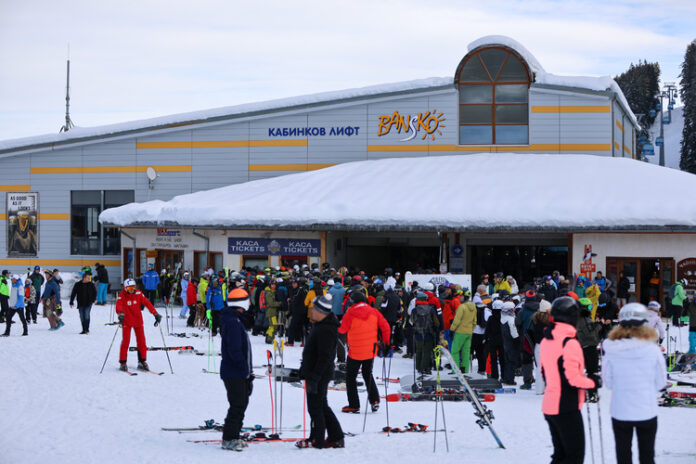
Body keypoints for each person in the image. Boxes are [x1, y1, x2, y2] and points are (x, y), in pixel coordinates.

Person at [602, 303, 666, 464]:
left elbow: (608, 382)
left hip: (620, 411)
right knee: (647, 455)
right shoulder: (653, 350)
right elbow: (661, 382)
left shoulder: (611, 350)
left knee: (623, 455)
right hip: (646, 410)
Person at [539, 297, 600, 464]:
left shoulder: (547, 339)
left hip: (550, 405)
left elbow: (544, 372)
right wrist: (593, 382)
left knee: (561, 455)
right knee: (574, 456)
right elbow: (572, 378)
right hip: (566, 405)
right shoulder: (569, 343)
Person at [297, 294, 345, 449]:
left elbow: (325, 356)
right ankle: (335, 436)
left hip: (319, 374)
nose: (311, 311)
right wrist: (304, 370)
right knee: (321, 406)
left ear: (321, 311)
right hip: (314, 372)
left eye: (314, 309)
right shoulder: (320, 324)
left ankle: (318, 440)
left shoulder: (326, 329)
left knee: (316, 407)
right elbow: (312, 352)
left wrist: (315, 376)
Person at [339, 290, 390, 413]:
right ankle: (375, 400)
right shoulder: (374, 311)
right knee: (368, 374)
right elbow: (386, 327)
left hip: (355, 351)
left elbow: (342, 330)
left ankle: (354, 405)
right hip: (370, 350)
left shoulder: (350, 313)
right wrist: (386, 343)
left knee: (351, 377)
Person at [219, 289, 254, 452]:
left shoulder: (236, 320)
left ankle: (234, 435)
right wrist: (243, 368)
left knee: (241, 403)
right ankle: (229, 438)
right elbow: (235, 350)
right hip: (234, 372)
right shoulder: (233, 322)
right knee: (237, 404)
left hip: (238, 371)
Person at [116, 278, 161, 371]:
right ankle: (123, 362)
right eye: (129, 288)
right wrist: (120, 313)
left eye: (133, 287)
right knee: (126, 341)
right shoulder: (122, 295)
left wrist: (155, 313)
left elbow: (147, 303)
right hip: (127, 321)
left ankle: (142, 361)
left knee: (141, 342)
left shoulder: (138, 294)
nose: (131, 289)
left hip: (138, 321)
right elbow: (119, 305)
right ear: (125, 288)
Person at [576, 298, 602, 401]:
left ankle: (586, 393)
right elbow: (590, 335)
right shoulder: (584, 319)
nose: (591, 309)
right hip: (589, 347)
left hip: (584, 347)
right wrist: (599, 326)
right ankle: (591, 394)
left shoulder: (580, 318)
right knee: (592, 372)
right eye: (590, 307)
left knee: (586, 371)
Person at [527, 299, 551, 395]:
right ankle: (547, 387)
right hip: (548, 345)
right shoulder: (549, 320)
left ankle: (539, 389)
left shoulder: (535, 319)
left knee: (539, 368)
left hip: (538, 345)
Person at [449, 289, 476, 373]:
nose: (459, 297)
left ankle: (455, 371)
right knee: (466, 352)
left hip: (460, 332)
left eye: (461, 296)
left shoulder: (462, 307)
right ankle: (465, 370)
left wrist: (452, 330)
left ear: (464, 297)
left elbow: (457, 320)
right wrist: (470, 330)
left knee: (454, 351)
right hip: (469, 333)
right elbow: (474, 321)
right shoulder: (473, 307)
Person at [69, 270, 97, 334]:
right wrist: (71, 302)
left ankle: (86, 329)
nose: (89, 279)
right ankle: (84, 329)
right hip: (80, 303)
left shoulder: (91, 284)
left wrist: (93, 300)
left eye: (89, 278)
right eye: (87, 277)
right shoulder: (78, 284)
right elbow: (73, 293)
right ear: (84, 278)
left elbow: (95, 293)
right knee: (82, 316)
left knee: (86, 315)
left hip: (88, 303)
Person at [500, 301, 519, 386]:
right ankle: (510, 379)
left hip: (505, 342)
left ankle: (506, 378)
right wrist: (518, 341)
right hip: (511, 343)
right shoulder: (511, 320)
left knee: (506, 361)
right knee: (512, 361)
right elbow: (514, 333)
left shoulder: (502, 319)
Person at [287, 278, 308, 346]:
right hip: (303, 311)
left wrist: (290, 301)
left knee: (292, 327)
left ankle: (290, 342)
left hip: (298, 311)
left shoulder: (299, 290)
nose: (293, 285)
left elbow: (295, 300)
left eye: (295, 283)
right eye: (293, 283)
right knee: (302, 327)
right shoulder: (304, 289)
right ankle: (303, 342)